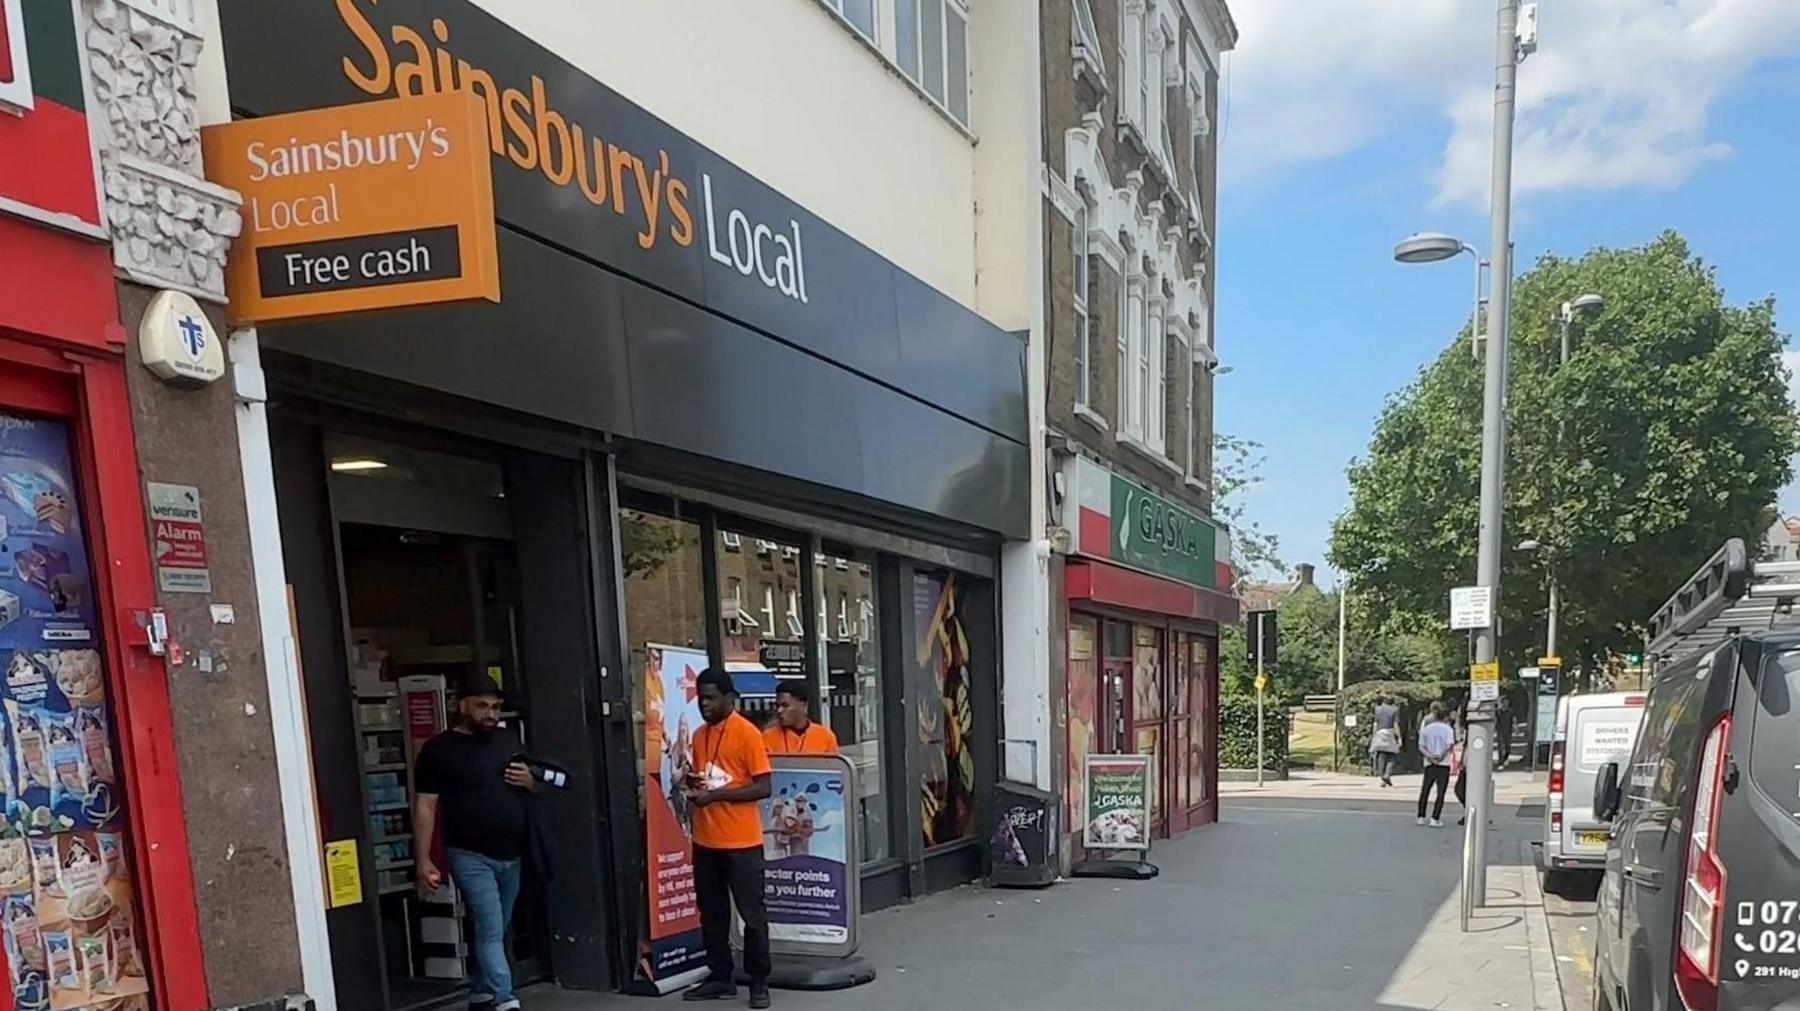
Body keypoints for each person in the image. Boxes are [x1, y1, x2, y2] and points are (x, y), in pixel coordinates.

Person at [414, 678, 536, 1011]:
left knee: (496, 926)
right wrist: (423, 859)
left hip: (512, 852)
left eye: (496, 707)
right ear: (459, 704)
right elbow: (425, 806)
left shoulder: (508, 741)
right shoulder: (437, 750)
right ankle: (505, 998)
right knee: (491, 924)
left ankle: (480, 992)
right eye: (482, 706)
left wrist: (531, 782)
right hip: (468, 852)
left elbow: (533, 785)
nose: (490, 714)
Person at [684, 668, 774, 1008]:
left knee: (752, 915)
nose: (704, 705)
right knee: (712, 913)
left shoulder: (747, 734)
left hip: (741, 843)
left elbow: (764, 786)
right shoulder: (697, 735)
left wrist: (717, 797)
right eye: (700, 698)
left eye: (711, 698)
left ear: (728, 697)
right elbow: (707, 779)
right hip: (706, 840)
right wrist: (695, 787)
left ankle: (758, 982)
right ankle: (720, 976)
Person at [762, 680, 839, 756]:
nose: (779, 710)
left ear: (803, 705)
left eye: (785, 705)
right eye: (777, 706)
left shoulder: (826, 737)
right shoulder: (767, 737)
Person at [1416, 703, 1455, 827]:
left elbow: (1421, 746)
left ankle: (1420, 816)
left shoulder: (1426, 729)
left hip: (1429, 763)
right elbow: (1449, 746)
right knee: (1440, 792)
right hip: (1443, 764)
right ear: (1445, 717)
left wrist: (1430, 756)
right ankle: (1435, 818)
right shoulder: (1448, 730)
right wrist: (1441, 756)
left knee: (1425, 790)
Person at [1369, 696, 1401, 786]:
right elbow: (1395, 725)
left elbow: (1375, 724)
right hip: (1389, 733)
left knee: (1380, 755)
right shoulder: (1395, 710)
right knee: (1392, 754)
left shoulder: (1377, 709)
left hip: (1379, 733)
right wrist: (1399, 737)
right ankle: (1387, 774)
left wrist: (1373, 736)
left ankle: (1382, 776)